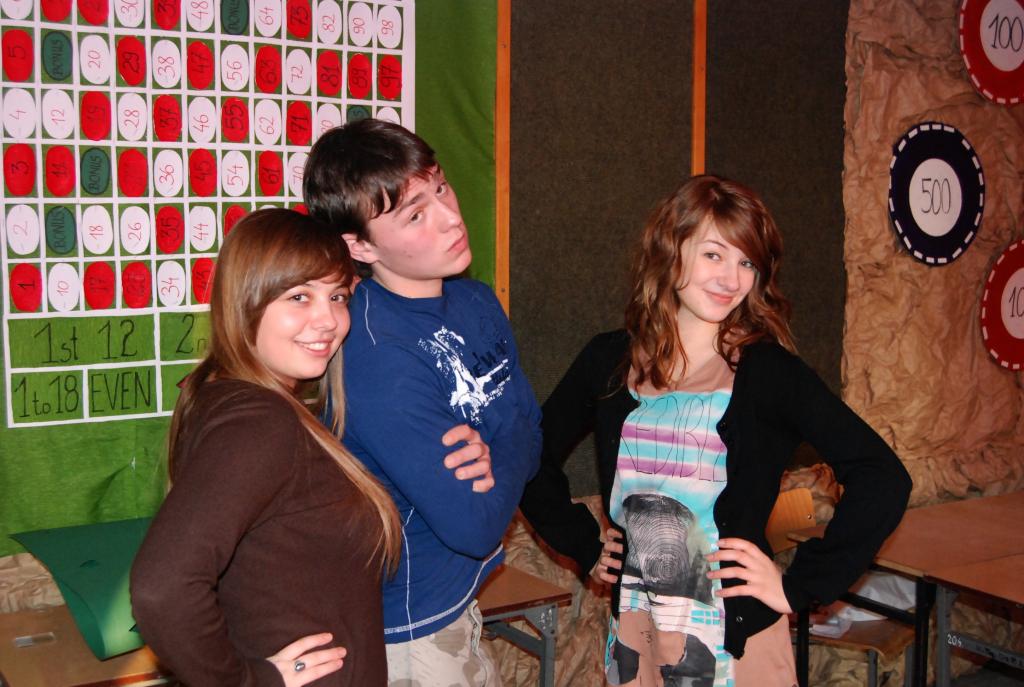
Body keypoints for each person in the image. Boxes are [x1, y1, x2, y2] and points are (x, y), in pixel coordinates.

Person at [519, 176, 912, 686]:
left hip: (735, 646)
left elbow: (883, 477)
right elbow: (527, 455)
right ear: (671, 250)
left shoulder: (768, 373)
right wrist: (586, 546)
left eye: (747, 263)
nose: (732, 278)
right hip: (639, 637)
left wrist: (799, 586)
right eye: (713, 255)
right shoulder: (607, 360)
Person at [130, 208, 490, 686]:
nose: (328, 320)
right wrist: (249, 682)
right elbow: (161, 588)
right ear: (244, 301)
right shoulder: (259, 424)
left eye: (337, 296)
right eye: (299, 296)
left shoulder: (223, 394)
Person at [304, 119, 542, 686]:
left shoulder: (474, 299)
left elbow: (535, 432)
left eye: (441, 188)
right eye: (415, 215)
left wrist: (502, 443)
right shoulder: (374, 354)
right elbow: (476, 524)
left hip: (460, 599)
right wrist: (511, 433)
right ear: (359, 246)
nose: (451, 217)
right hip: (407, 631)